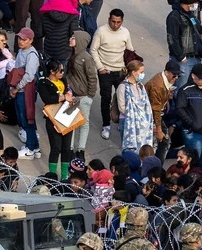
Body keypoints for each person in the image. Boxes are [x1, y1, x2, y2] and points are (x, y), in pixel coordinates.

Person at [90, 9, 134, 140]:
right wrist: (100, 68)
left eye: (118, 22)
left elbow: (130, 50)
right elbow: (93, 50)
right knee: (106, 98)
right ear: (109, 19)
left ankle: (121, 122)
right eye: (113, 21)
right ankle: (106, 125)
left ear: (122, 21)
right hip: (106, 72)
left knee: (122, 98)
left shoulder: (125, 32)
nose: (115, 25)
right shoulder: (101, 32)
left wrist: (129, 67)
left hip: (121, 71)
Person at [174, 64, 202, 169]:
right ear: (193, 76)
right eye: (200, 78)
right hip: (193, 134)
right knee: (193, 162)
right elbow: (180, 109)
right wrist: (192, 124)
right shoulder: (185, 90)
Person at [37, 59, 77, 178]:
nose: (62, 73)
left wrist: (71, 99)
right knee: (56, 148)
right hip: (53, 118)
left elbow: (69, 93)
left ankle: (64, 176)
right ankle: (52, 176)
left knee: (66, 148)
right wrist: (64, 97)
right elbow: (47, 99)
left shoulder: (63, 81)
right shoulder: (43, 83)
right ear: (52, 71)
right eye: (60, 71)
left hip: (66, 116)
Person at [65, 30, 99, 160]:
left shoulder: (87, 58)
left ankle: (80, 150)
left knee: (83, 123)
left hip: (83, 96)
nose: (70, 39)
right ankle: (71, 149)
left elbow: (92, 77)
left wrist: (90, 96)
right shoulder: (72, 55)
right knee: (72, 122)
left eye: (73, 37)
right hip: (73, 95)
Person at [166, 0, 202, 88]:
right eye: (195, 1)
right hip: (183, 60)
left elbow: (198, 32)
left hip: (195, 57)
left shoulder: (191, 15)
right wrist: (181, 56)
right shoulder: (174, 16)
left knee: (193, 88)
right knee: (180, 89)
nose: (197, 4)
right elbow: (172, 39)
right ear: (190, 2)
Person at [10, 27, 41, 159]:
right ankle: (35, 147)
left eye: (24, 39)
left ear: (31, 41)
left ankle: (30, 148)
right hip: (21, 89)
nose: (21, 41)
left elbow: (29, 76)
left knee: (26, 118)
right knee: (25, 118)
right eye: (19, 38)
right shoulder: (21, 52)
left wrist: (16, 88)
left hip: (26, 91)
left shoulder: (31, 55)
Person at [117, 60, 155, 153]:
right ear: (133, 73)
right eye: (141, 72)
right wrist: (135, 115)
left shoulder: (140, 86)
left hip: (142, 124)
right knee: (130, 151)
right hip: (128, 122)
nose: (143, 74)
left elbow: (145, 103)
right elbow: (121, 107)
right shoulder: (123, 87)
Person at [145, 60, 181, 154]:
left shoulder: (163, 78)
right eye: (174, 75)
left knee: (163, 143)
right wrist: (159, 130)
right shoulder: (157, 86)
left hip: (155, 114)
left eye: (178, 75)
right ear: (167, 72)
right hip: (150, 116)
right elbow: (155, 109)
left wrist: (167, 95)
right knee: (158, 144)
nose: (176, 78)